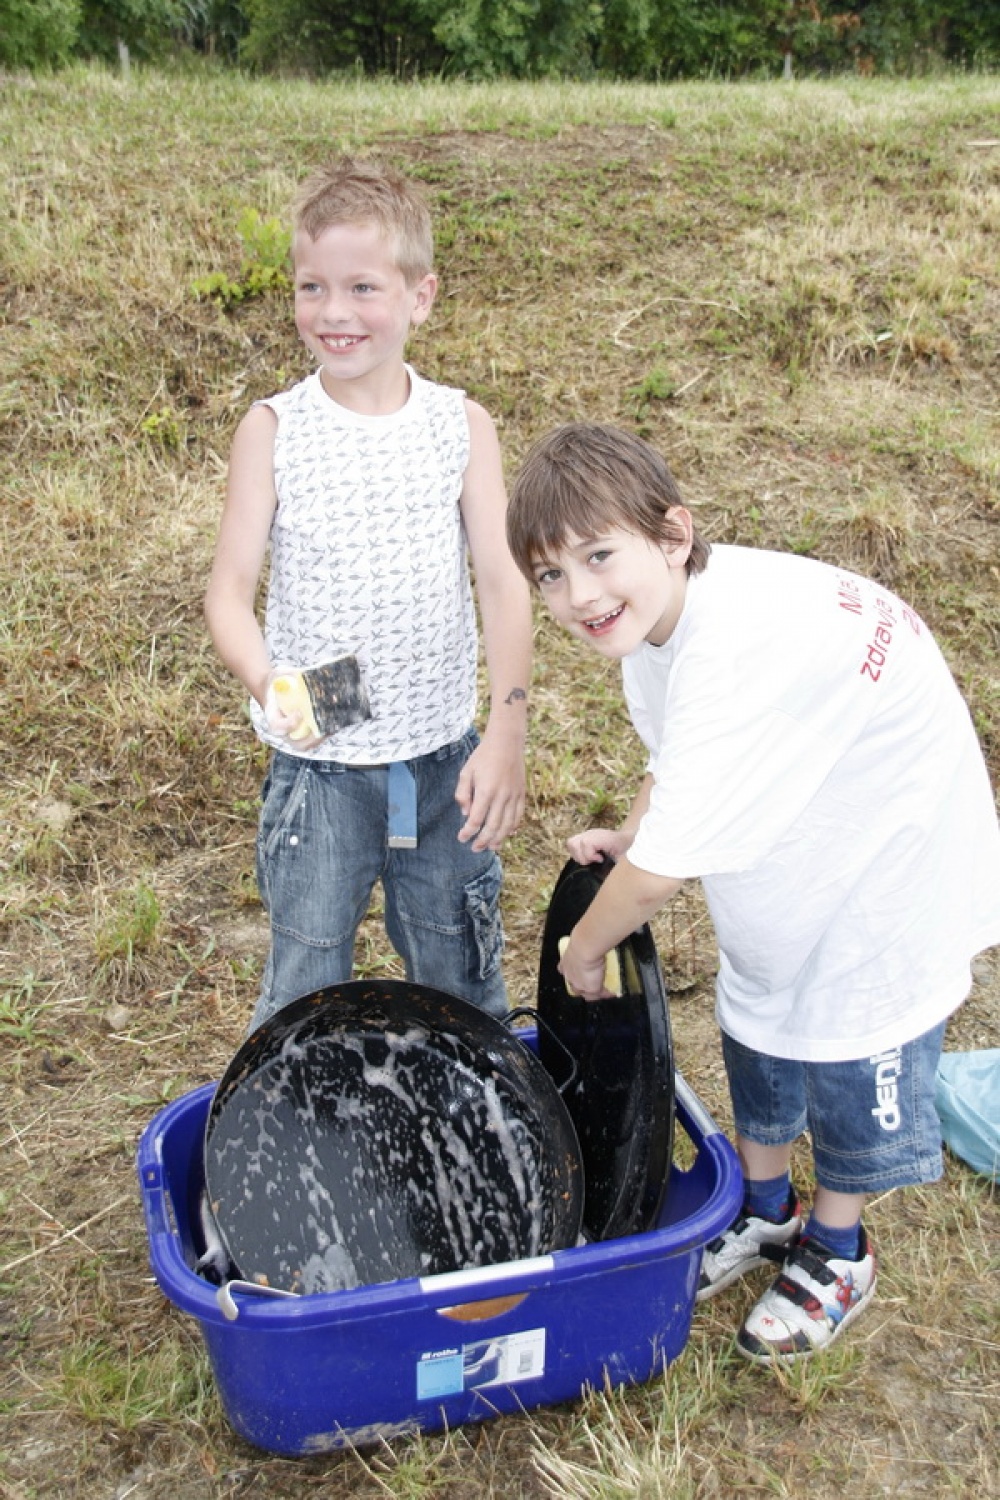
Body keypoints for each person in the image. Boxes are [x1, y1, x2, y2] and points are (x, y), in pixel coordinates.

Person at [506, 421, 1000, 1362]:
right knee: (761, 1008)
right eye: (551, 576)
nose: (579, 596)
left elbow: (652, 885)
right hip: (804, 833)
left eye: (599, 556)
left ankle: (839, 1246)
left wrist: (584, 946)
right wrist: (634, 828)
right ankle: (766, 1208)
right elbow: (676, 763)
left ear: (675, 533)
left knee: (851, 1040)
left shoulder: (735, 654)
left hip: (889, 861)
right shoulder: (661, 626)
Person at [205, 157, 531, 1032]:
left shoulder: (460, 425)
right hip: (322, 770)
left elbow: (502, 582)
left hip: (444, 762)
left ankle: (479, 1139)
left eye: (362, 287)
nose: (334, 313)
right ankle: (301, 1129)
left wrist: (506, 727)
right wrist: (272, 684)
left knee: (460, 974)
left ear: (421, 296)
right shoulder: (274, 429)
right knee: (308, 981)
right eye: (313, 287)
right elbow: (229, 595)